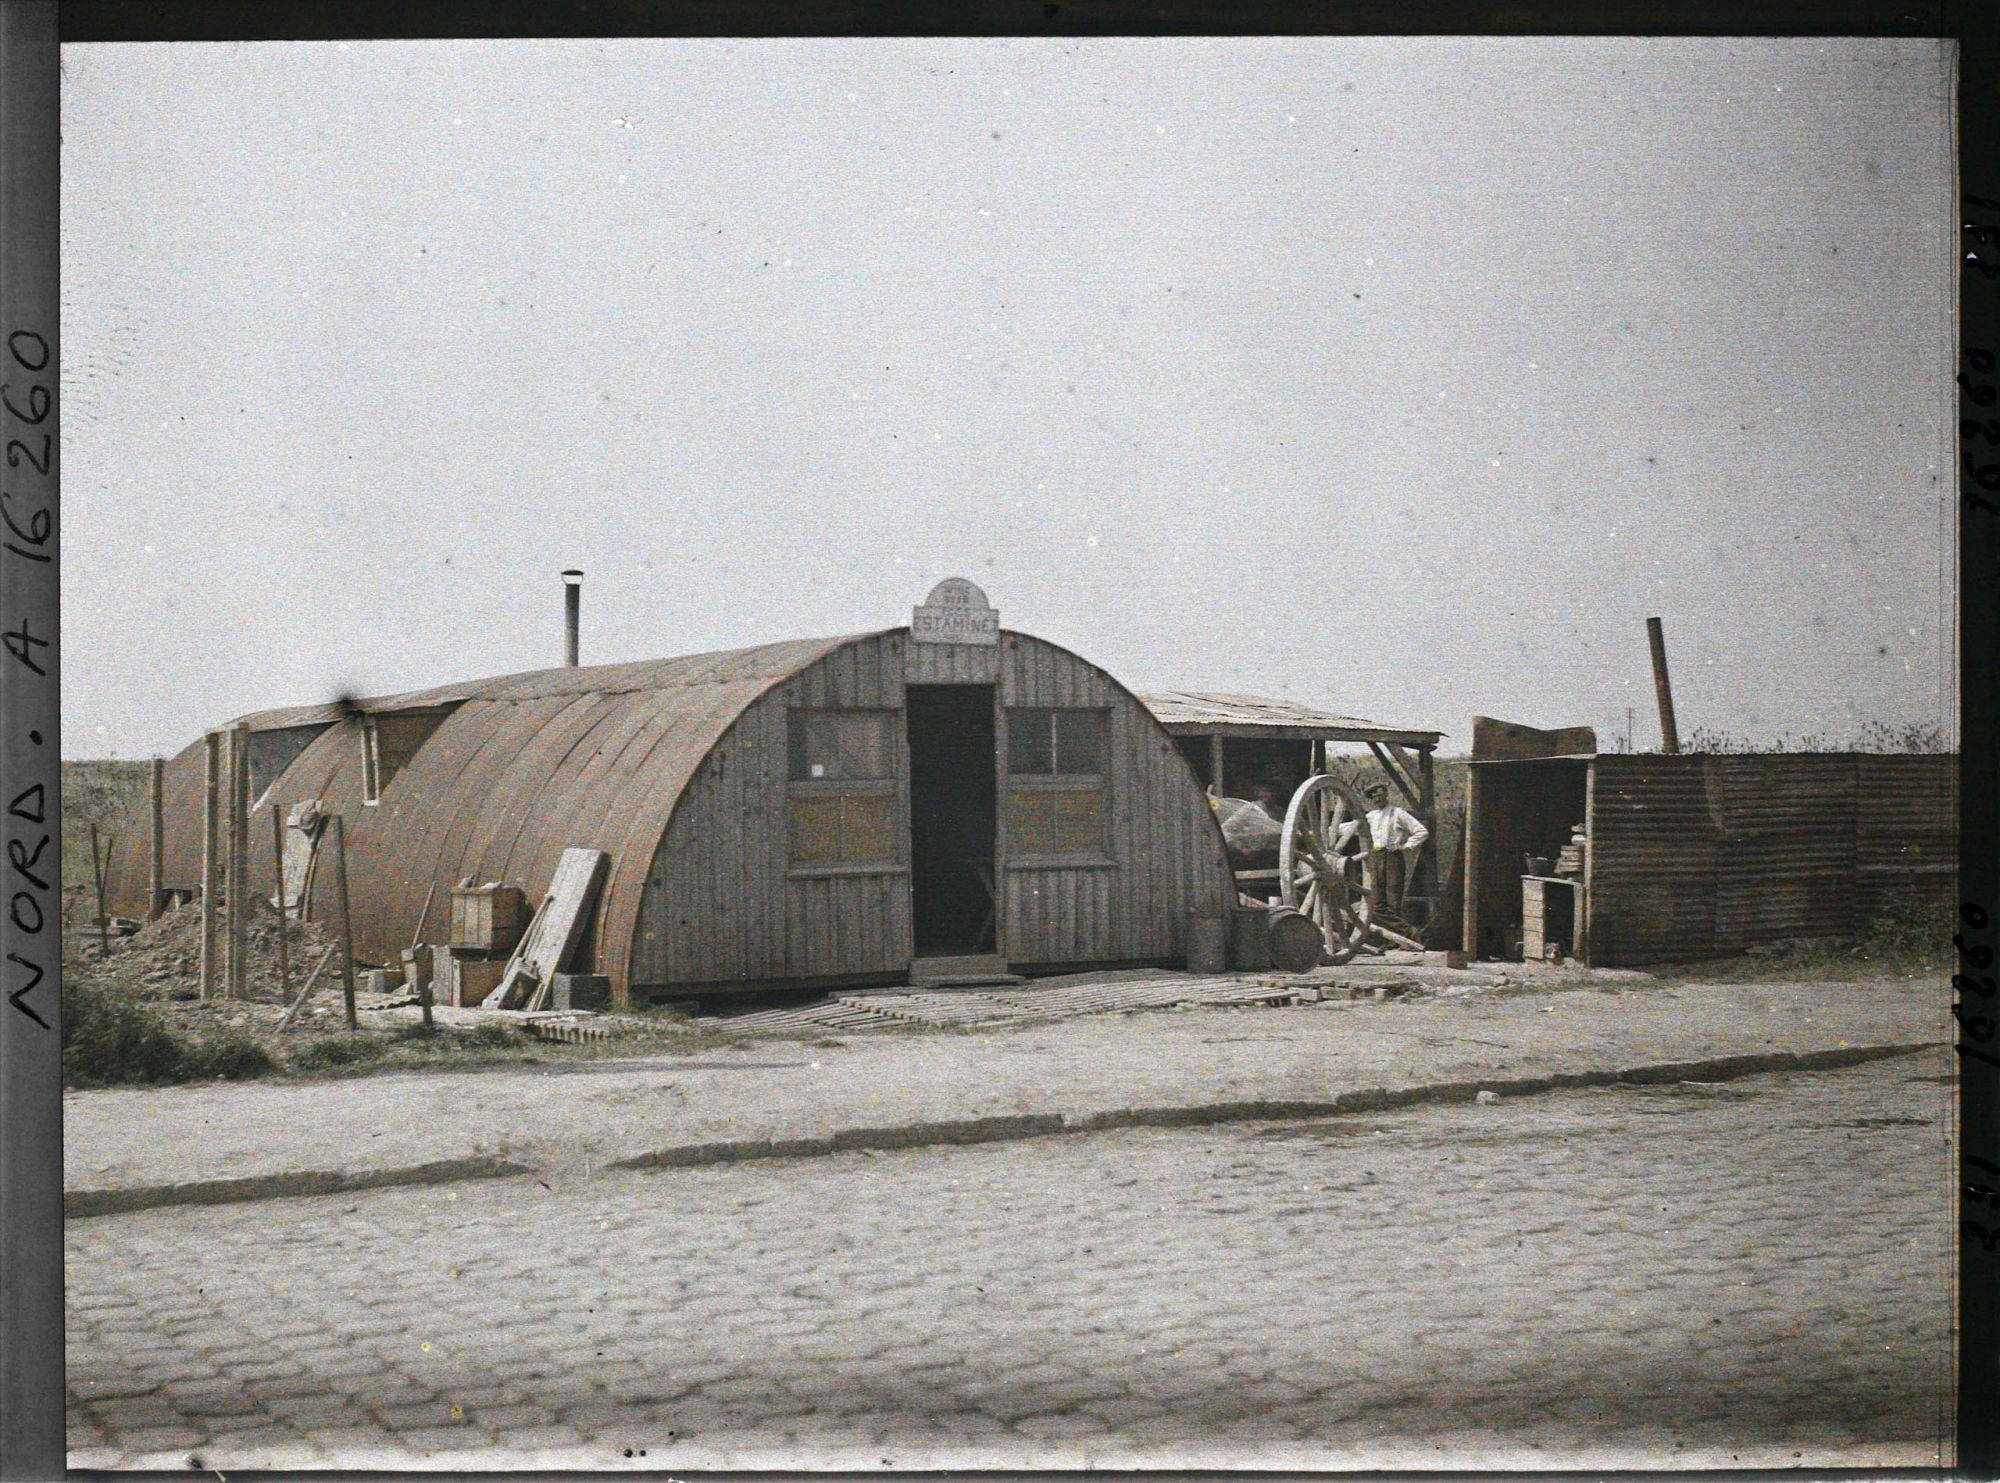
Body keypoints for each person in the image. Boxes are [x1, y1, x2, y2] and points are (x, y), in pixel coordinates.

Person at [1337, 781, 1429, 912]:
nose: (1377, 799)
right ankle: (1383, 924)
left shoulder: (1398, 813)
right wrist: (1330, 829)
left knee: (1393, 893)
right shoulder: (1371, 816)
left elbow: (1421, 831)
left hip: (1392, 856)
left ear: (1386, 795)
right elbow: (1350, 827)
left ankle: (1398, 927)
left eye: (1380, 796)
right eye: (1374, 797)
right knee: (1376, 895)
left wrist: (1405, 846)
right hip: (1374, 856)